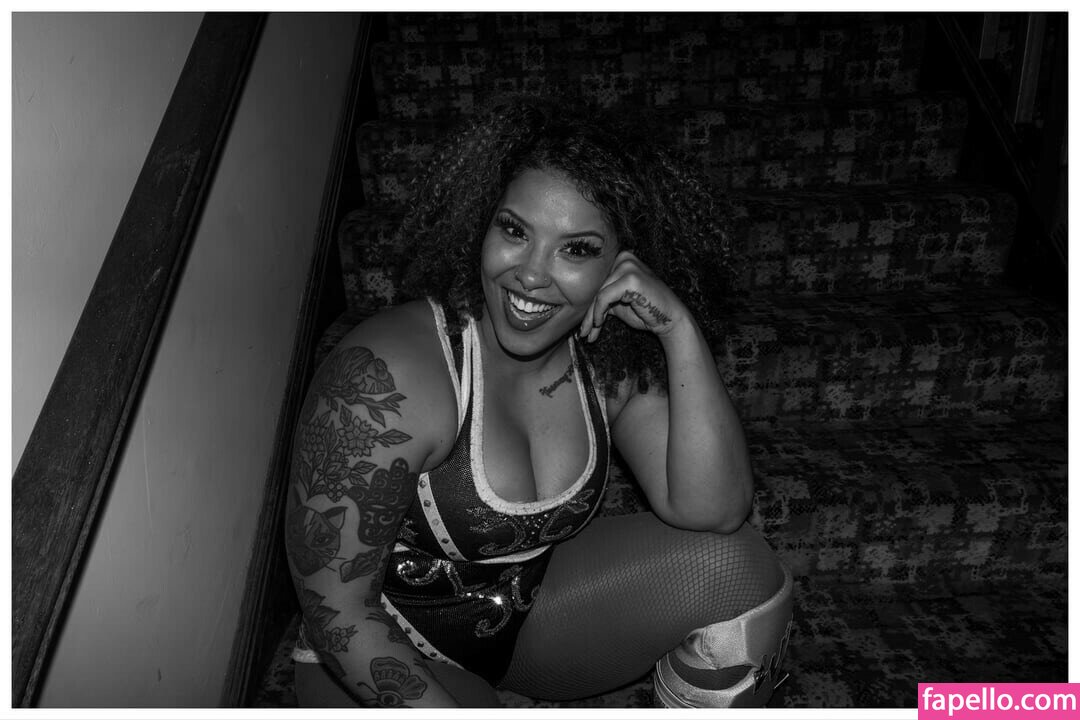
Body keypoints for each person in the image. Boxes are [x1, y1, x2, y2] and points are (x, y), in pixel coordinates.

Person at [284, 94, 792, 708]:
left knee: (741, 570)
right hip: (374, 645)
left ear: (621, 265)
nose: (530, 274)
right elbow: (336, 612)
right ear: (481, 223)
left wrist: (677, 330)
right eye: (514, 230)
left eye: (577, 249)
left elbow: (717, 511)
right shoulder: (388, 370)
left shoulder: (607, 360)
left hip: (528, 626)